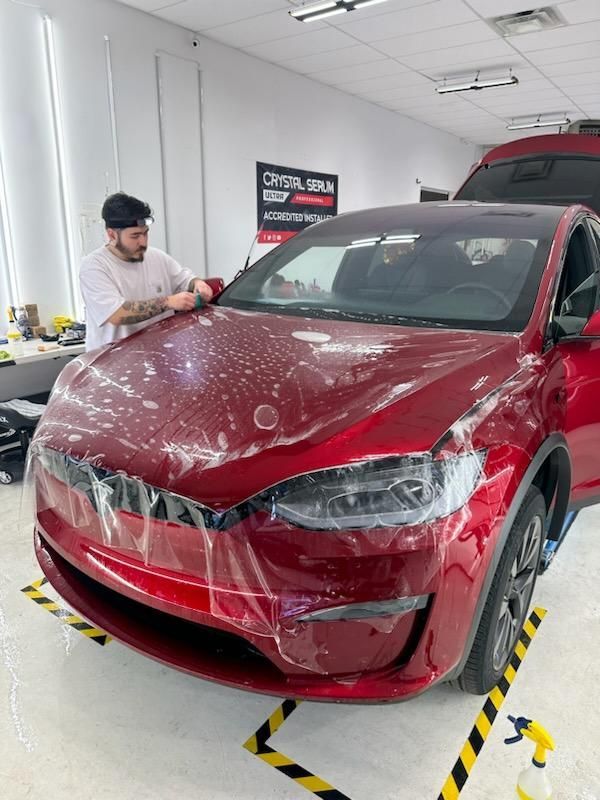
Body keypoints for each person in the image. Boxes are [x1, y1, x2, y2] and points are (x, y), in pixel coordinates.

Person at [80, 192, 213, 351]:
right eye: (135, 235)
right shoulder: (94, 266)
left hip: (158, 358)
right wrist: (168, 302)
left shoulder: (157, 257)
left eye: (145, 233)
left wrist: (198, 284)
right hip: (114, 364)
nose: (143, 242)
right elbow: (117, 313)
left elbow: (186, 280)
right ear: (112, 234)